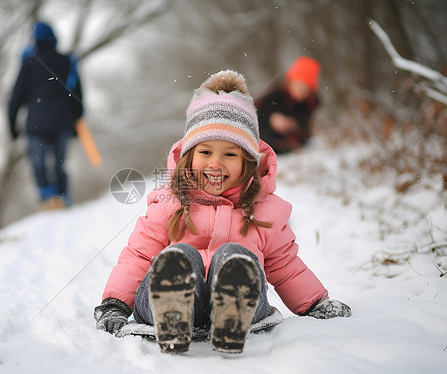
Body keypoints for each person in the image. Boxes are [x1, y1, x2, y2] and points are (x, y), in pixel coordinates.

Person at [94, 70, 350, 354]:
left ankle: (231, 309)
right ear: (188, 157)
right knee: (181, 259)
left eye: (230, 154)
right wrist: (115, 305)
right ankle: (173, 308)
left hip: (244, 306)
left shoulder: (265, 211)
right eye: (205, 153)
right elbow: (139, 256)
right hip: (160, 305)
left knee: (236, 259)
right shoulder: (170, 203)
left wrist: (315, 302)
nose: (216, 163)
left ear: (248, 162)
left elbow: (285, 266)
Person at [8, 21, 84, 209]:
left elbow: (16, 95)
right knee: (60, 163)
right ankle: (63, 196)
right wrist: (77, 120)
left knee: (38, 161)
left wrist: (12, 125)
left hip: (36, 123)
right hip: (62, 122)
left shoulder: (29, 62)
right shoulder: (67, 61)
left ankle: (47, 196)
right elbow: (77, 94)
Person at [254, 56, 321, 154]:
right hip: (264, 138)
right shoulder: (275, 96)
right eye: (297, 85)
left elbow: (305, 131)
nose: (299, 91)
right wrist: (271, 118)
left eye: (304, 88)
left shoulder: (308, 105)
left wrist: (293, 126)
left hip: (285, 145)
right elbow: (257, 111)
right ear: (289, 83)